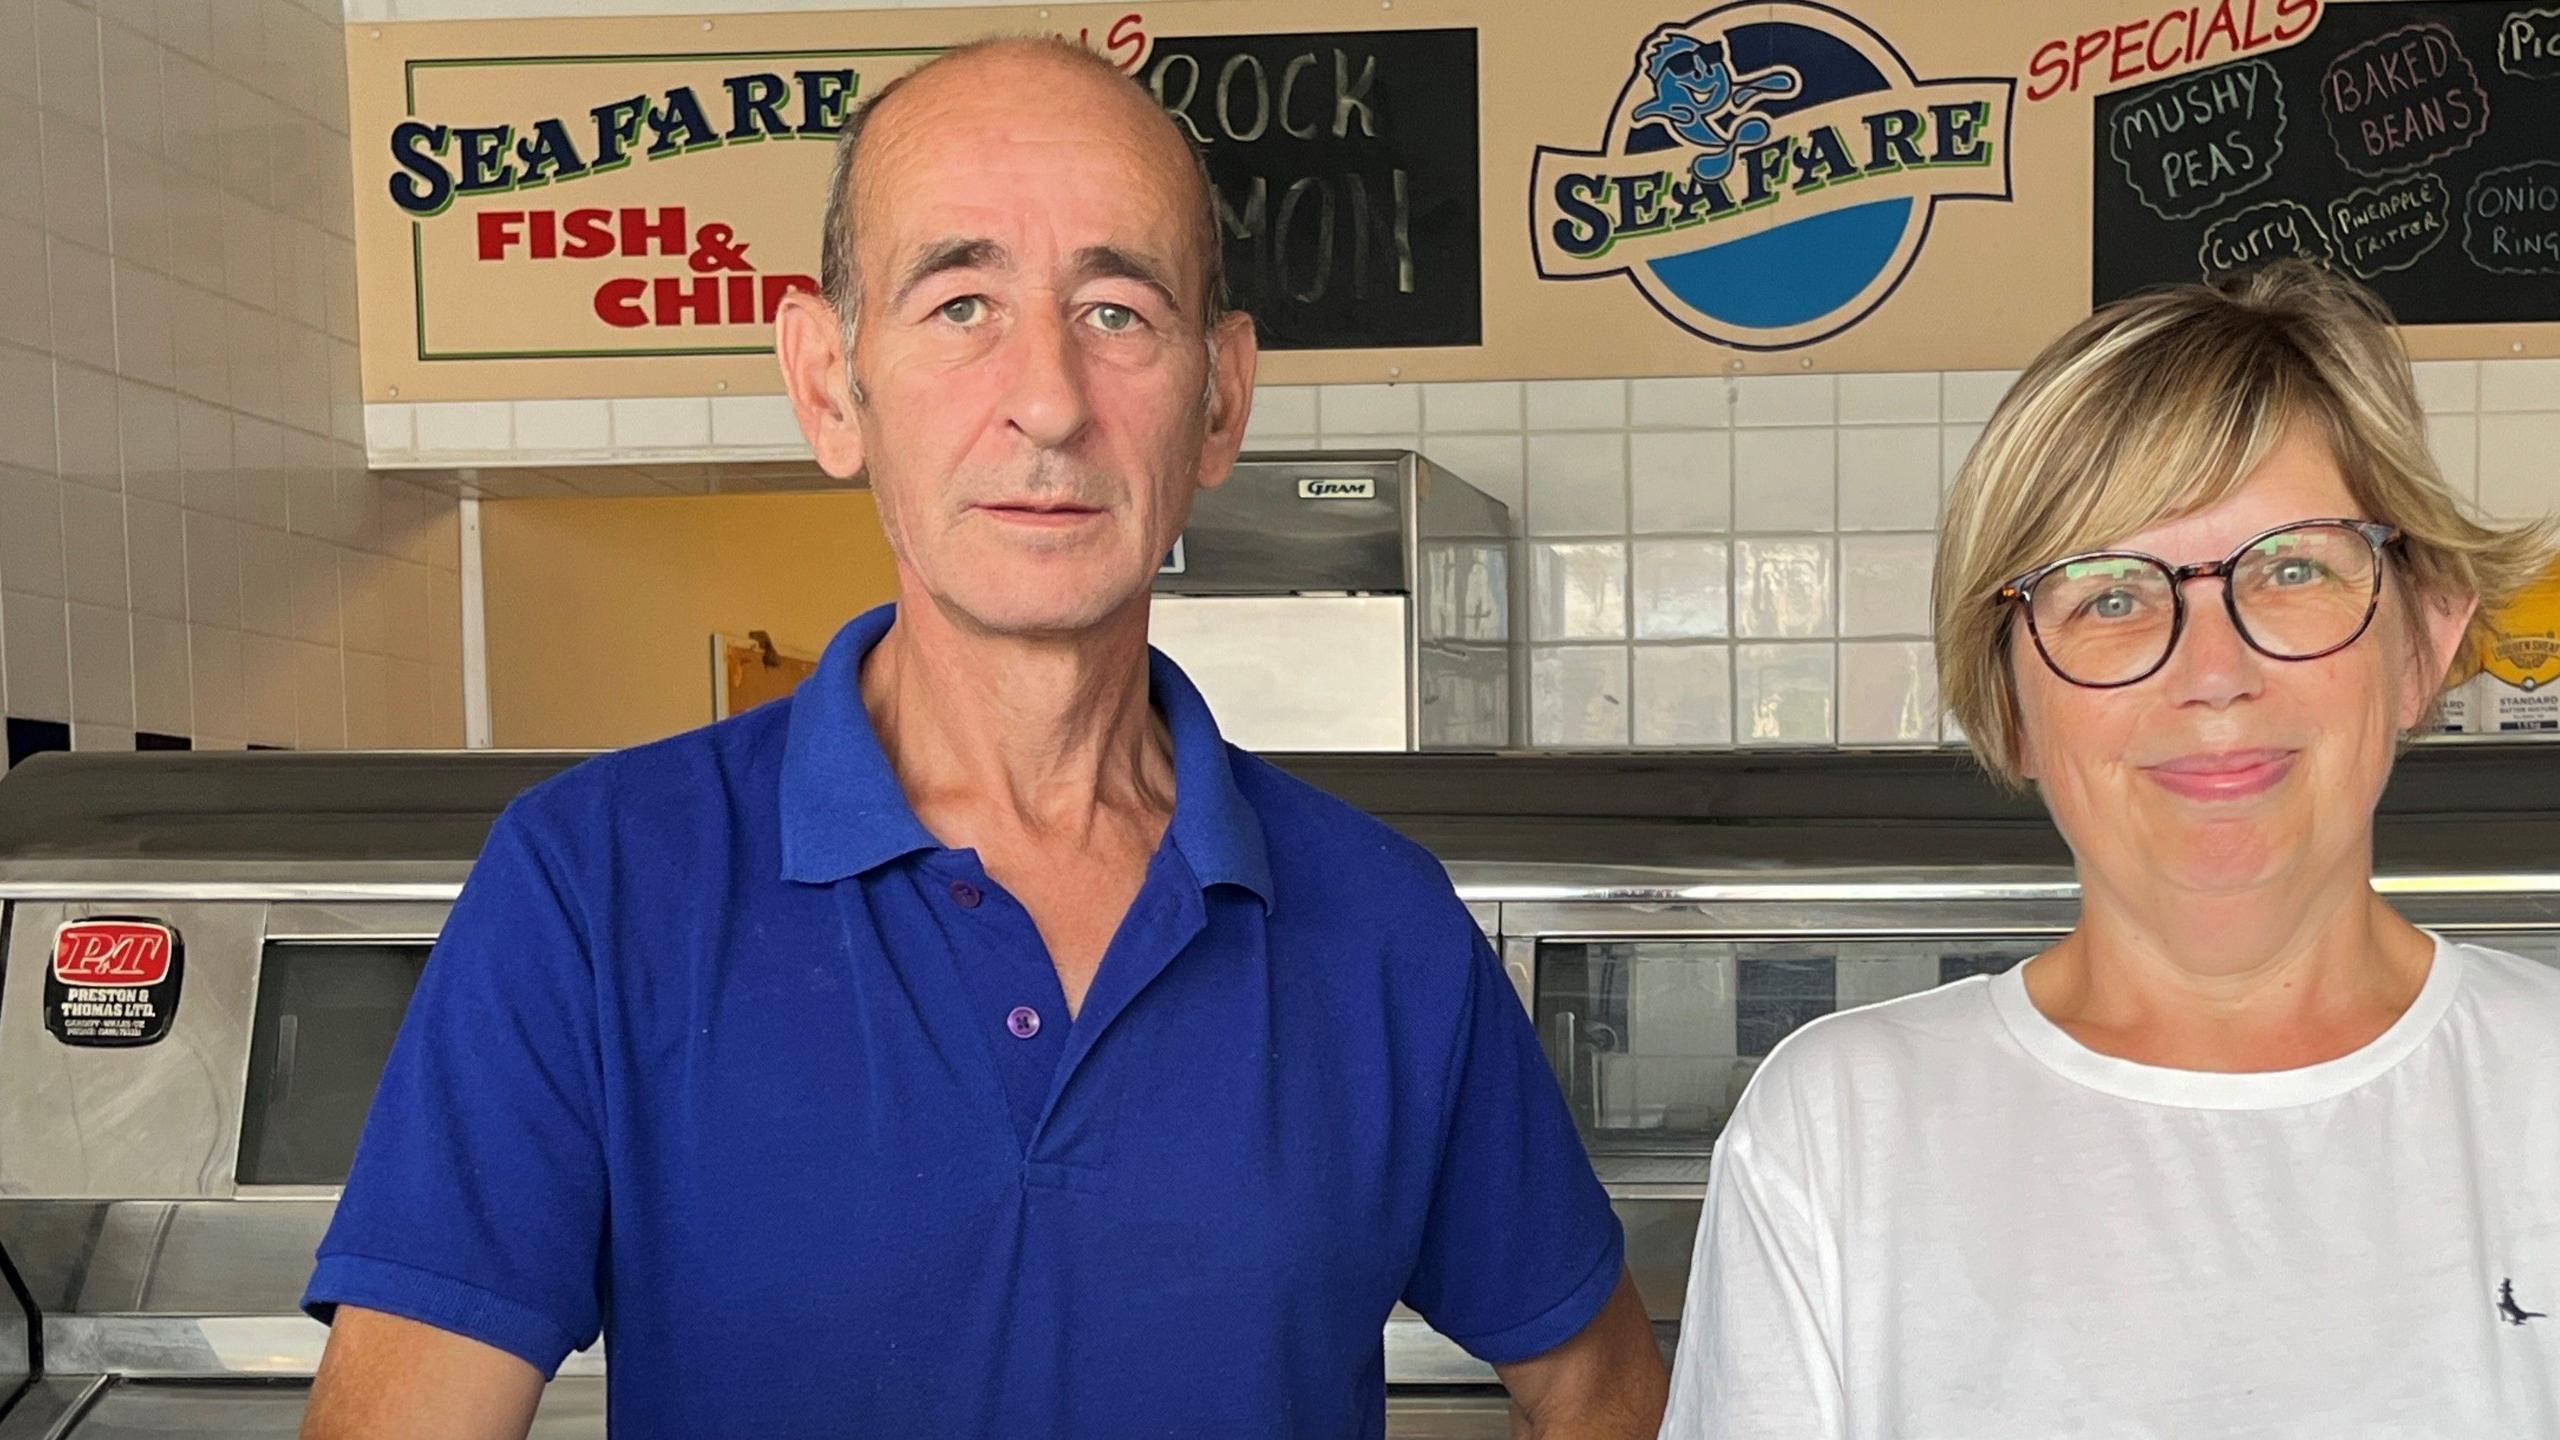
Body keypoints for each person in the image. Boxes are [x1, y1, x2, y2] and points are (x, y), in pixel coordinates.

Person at [299, 36, 1667, 1440]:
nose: (1052, 398)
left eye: (1120, 312)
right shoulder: (593, 888)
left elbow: (1604, 1390)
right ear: (831, 383)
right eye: (959, 304)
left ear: (1222, 397)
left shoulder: (1381, 925)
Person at [1662, 260, 2560, 1436]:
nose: (2211, 672)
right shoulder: (1835, 1133)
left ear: (2423, 637)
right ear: (2011, 702)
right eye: (2108, 595)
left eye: (2292, 567)